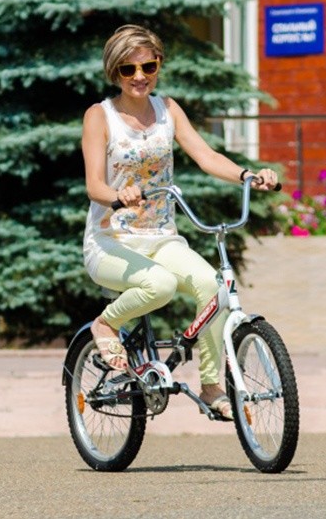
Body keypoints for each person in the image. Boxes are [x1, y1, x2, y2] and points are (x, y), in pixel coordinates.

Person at [81, 25, 277, 419]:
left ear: (158, 65)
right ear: (114, 72)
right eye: (128, 69)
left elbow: (206, 157)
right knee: (161, 284)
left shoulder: (167, 110)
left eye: (148, 66)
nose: (139, 76)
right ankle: (105, 326)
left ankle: (210, 385)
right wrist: (119, 196)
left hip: (162, 237)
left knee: (213, 285)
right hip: (111, 240)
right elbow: (94, 186)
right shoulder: (100, 116)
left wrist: (248, 176)